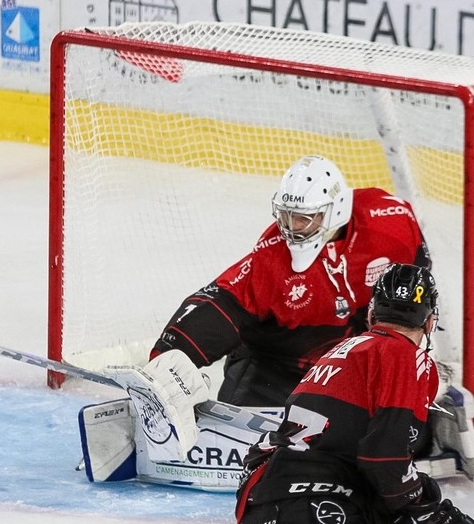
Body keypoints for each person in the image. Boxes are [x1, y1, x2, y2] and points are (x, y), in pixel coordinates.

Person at [150, 154, 431, 407]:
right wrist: (165, 366)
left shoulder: (389, 222)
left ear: (337, 211)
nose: (291, 228)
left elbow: (418, 280)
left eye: (304, 219)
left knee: (397, 430)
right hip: (274, 368)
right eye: (286, 216)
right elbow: (223, 304)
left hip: (351, 368)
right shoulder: (272, 256)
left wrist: (406, 357)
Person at [235, 263, 474, 524]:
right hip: (319, 502)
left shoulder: (343, 350)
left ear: (372, 315)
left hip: (264, 496)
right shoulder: (408, 357)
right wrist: (420, 503)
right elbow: (383, 457)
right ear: (429, 322)